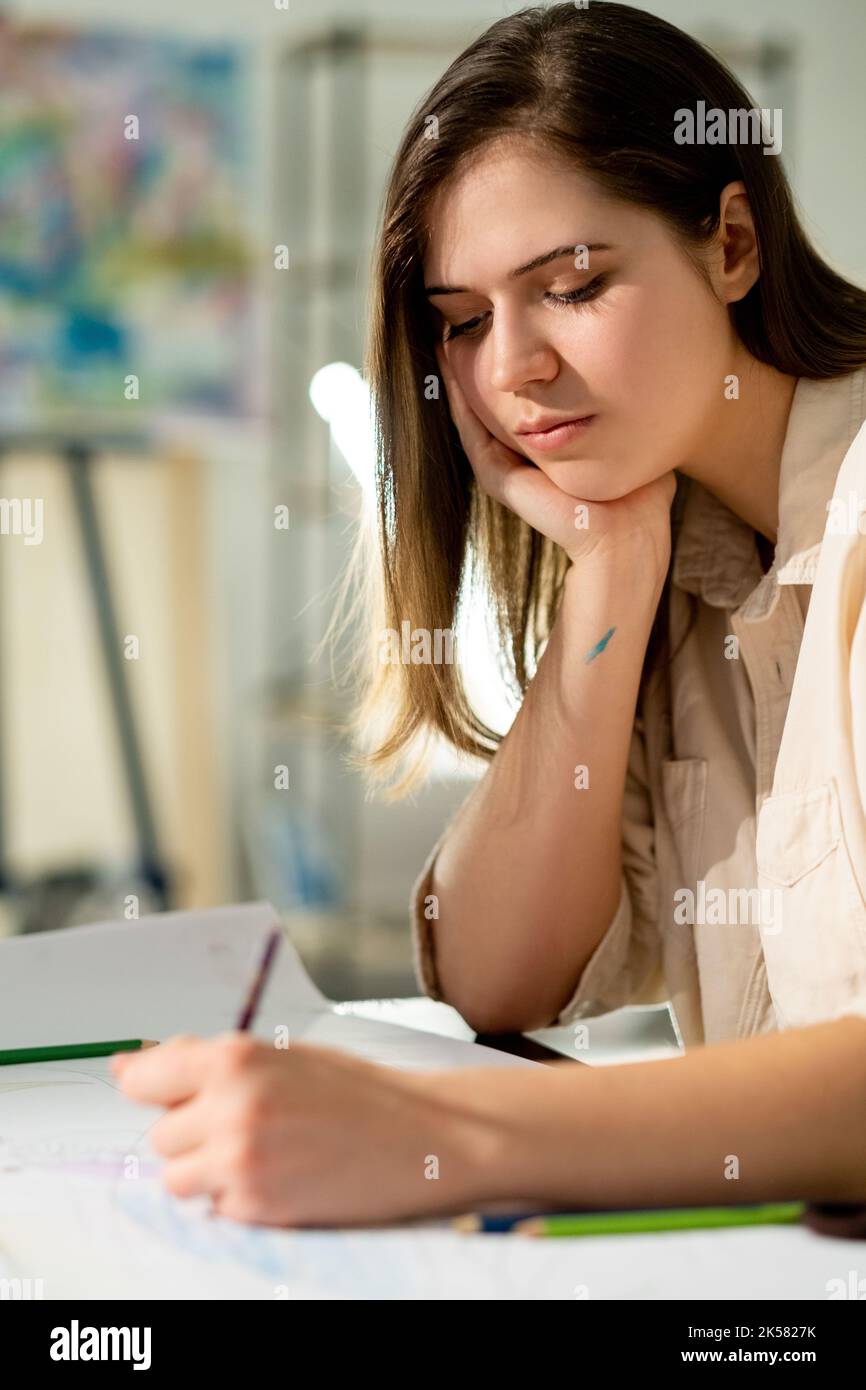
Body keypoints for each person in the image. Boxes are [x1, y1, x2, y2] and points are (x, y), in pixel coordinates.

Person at [115, 2, 866, 1233]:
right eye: (462, 322)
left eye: (569, 285)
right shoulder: (676, 562)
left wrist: (439, 1136)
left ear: (731, 244)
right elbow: (493, 979)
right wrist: (610, 571)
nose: (508, 368)